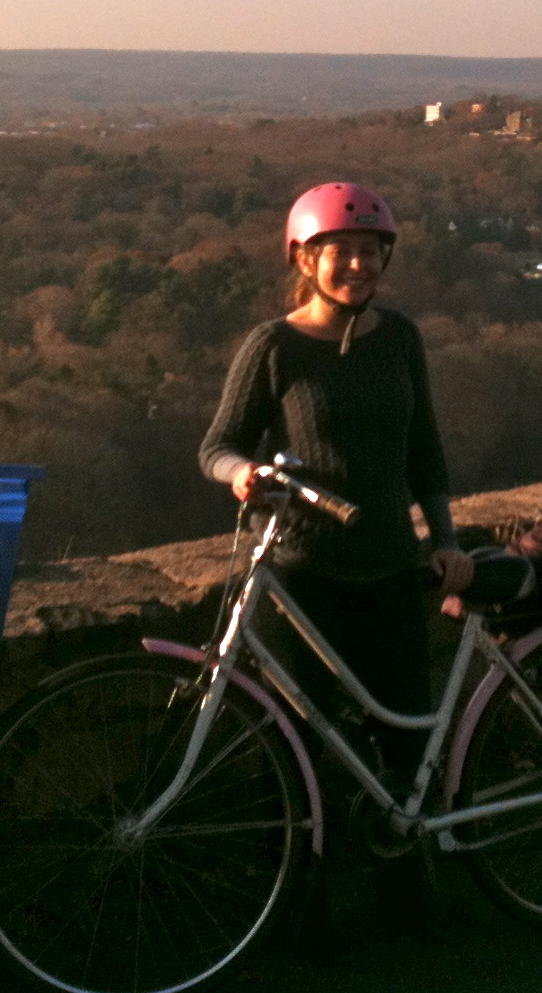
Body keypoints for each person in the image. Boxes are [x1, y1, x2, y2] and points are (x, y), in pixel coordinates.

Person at [198, 181, 474, 774]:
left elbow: (424, 450)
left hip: (391, 569)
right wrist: (243, 472)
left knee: (405, 743)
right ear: (305, 260)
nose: (357, 265)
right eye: (340, 251)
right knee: (291, 750)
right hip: (302, 577)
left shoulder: (399, 338)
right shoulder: (273, 346)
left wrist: (446, 539)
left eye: (369, 251)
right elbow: (218, 447)